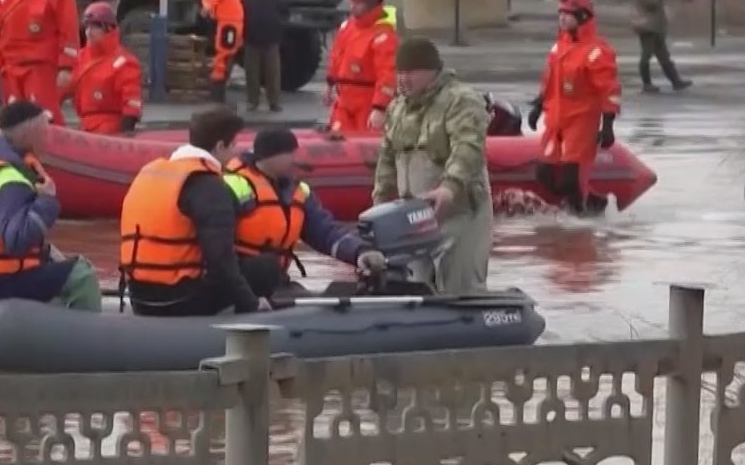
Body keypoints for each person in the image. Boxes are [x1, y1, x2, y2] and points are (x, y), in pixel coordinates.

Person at [0, 101, 101, 310]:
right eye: (45, 131)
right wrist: (46, 201)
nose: (48, 138)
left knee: (55, 263)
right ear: (28, 136)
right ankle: (88, 339)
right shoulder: (9, 178)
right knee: (82, 274)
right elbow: (15, 242)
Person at [118, 107, 272, 316]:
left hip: (139, 296)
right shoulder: (208, 184)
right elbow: (221, 259)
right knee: (265, 267)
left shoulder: (152, 171)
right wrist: (251, 303)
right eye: (234, 144)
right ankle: (244, 326)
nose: (236, 151)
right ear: (220, 146)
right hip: (180, 299)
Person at [374, 38, 493, 294]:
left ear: (431, 71)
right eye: (400, 73)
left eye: (411, 73)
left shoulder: (461, 100)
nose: (404, 79)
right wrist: (380, 199)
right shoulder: (397, 108)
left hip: (459, 212)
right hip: (414, 217)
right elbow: (386, 158)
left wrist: (449, 188)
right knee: (416, 287)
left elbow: (468, 147)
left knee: (460, 287)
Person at [226, 127, 387, 299]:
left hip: (277, 281)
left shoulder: (297, 192)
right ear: (273, 156)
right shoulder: (234, 186)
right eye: (291, 154)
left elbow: (325, 232)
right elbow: (216, 242)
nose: (295, 160)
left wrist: (360, 252)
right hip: (239, 281)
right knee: (263, 268)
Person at [528, 0, 620, 214]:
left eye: (566, 14)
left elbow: (609, 90)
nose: (561, 18)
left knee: (572, 178)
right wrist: (539, 105)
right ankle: (588, 204)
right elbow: (549, 79)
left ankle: (579, 221)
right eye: (560, 13)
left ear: (581, 16)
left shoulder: (597, 52)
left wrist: (607, 126)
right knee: (543, 174)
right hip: (556, 120)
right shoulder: (560, 46)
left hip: (581, 122)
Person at [326, 0, 398, 134]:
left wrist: (380, 107)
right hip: (344, 100)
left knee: (365, 144)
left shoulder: (384, 35)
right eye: (353, 0)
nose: (354, 5)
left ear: (372, 2)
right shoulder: (347, 27)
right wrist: (330, 84)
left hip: (367, 101)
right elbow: (337, 56)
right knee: (337, 142)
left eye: (360, 1)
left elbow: (387, 75)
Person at [70, 1, 143, 135]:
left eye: (94, 27)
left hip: (110, 129)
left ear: (108, 28)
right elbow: (65, 86)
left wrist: (127, 130)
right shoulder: (80, 57)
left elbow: (131, 100)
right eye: (87, 27)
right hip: (84, 127)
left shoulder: (125, 63)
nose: (88, 32)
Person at [631, 0, 691, 93]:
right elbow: (652, 3)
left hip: (656, 29)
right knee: (646, 55)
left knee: (664, 56)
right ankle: (647, 84)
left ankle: (676, 81)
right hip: (647, 28)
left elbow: (661, 1)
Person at [240, 0, 289, 112]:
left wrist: (277, 25)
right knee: (251, 73)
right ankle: (252, 101)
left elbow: (284, 11)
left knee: (273, 73)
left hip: (271, 39)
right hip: (251, 39)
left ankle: (273, 102)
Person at [201, 0, 246, 103]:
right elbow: (209, 1)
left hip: (233, 27)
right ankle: (217, 94)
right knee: (223, 59)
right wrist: (206, 9)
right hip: (228, 27)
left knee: (226, 58)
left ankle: (218, 93)